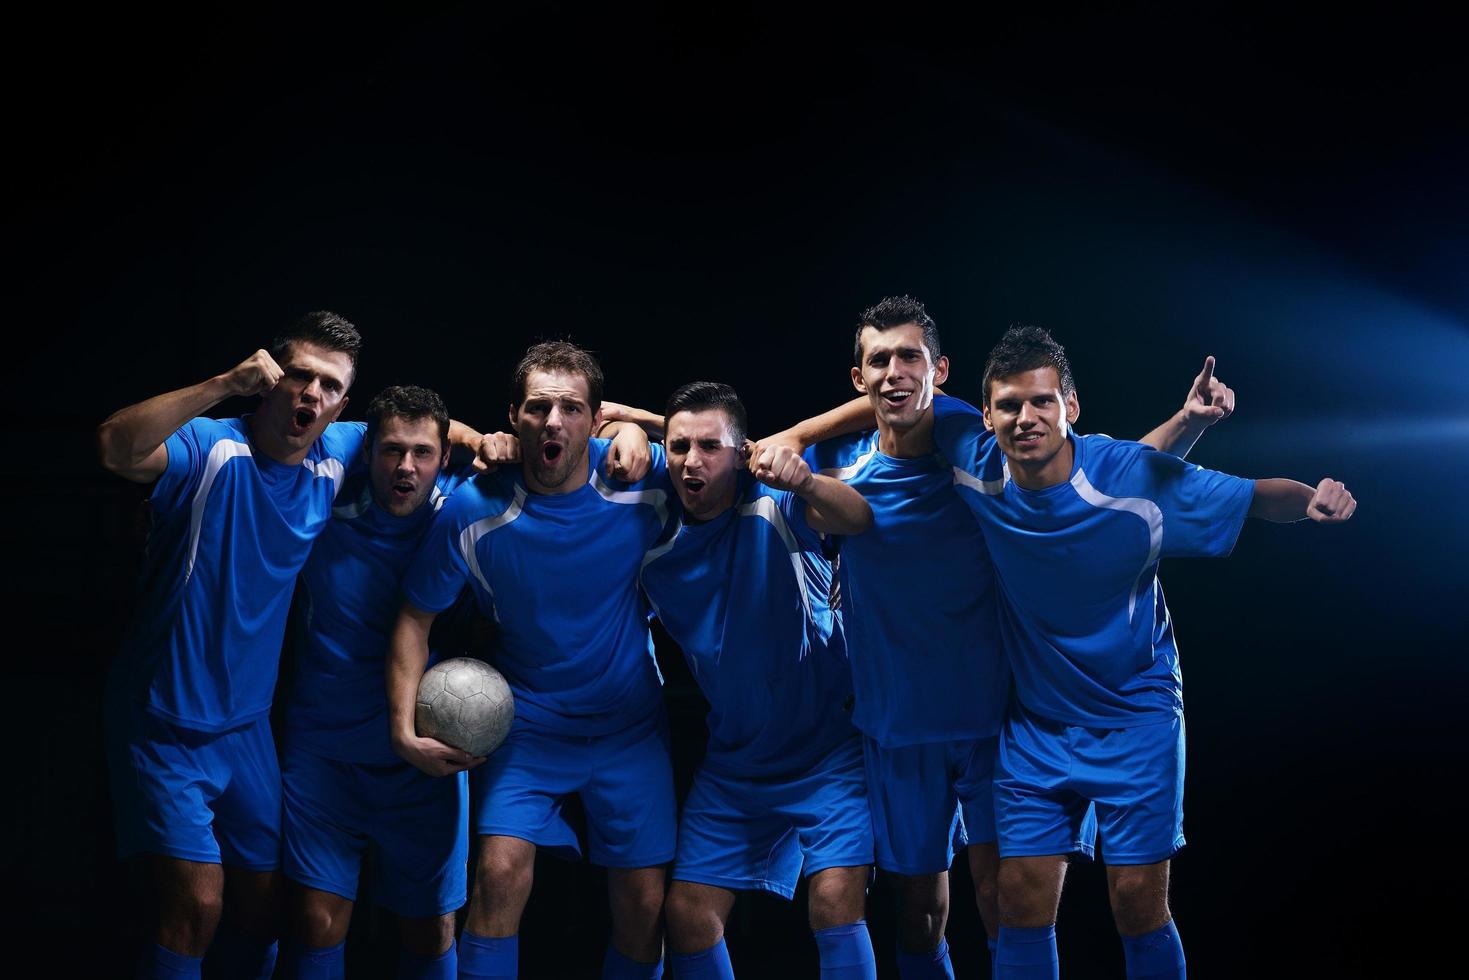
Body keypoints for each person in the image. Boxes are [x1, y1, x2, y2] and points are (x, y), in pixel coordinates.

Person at [757, 297, 1232, 979]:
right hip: (896, 728)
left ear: (938, 372)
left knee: (1007, 901)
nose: (894, 373)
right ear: (856, 375)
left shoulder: (974, 443)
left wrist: (1187, 422)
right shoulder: (842, 474)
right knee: (919, 915)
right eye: (878, 360)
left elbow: (1115, 474)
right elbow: (730, 462)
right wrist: (667, 428)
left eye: (909, 358)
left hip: (993, 720)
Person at [927, 324, 1354, 979]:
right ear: (985, 416)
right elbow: (893, 402)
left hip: (1136, 714)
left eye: (1041, 401)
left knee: (1135, 903)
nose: (1024, 416)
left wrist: (1313, 501)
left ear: (1070, 407)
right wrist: (796, 440)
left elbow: (1252, 495)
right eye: (1008, 405)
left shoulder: (1129, 480)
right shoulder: (971, 462)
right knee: (1016, 898)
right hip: (1036, 720)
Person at [388, 341, 672, 980]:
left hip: (629, 725)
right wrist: (402, 728)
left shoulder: (641, 484)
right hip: (528, 725)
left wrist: (640, 426)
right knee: (498, 876)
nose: (553, 422)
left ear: (594, 420)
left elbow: (718, 447)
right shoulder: (474, 509)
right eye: (538, 407)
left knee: (646, 906)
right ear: (512, 415)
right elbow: (414, 616)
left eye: (572, 409)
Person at [99, 312, 366, 980]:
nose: (310, 393)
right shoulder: (212, 446)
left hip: (246, 730)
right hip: (162, 720)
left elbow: (432, 431)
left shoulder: (338, 457)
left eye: (327, 385)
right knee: (197, 906)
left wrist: (495, 443)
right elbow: (114, 448)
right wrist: (224, 382)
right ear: (271, 379)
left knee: (266, 908)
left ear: (342, 405)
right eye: (298, 375)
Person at [630, 381, 877, 979]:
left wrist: (806, 478)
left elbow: (860, 518)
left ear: (740, 454)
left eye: (711, 447)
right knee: (688, 917)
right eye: (680, 446)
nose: (693, 461)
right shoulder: (651, 534)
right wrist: (627, 422)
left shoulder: (775, 498)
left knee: (834, 903)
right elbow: (608, 442)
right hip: (737, 761)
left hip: (829, 749)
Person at [276, 385, 476, 980]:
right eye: (391, 451)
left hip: (424, 758)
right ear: (368, 452)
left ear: (445, 457)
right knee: (314, 921)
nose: (405, 468)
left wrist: (628, 425)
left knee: (430, 928)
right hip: (324, 750)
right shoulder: (323, 505)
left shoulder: (465, 509)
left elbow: (564, 453)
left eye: (422, 452)